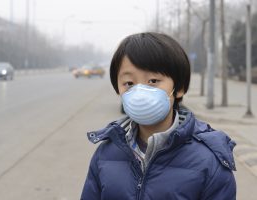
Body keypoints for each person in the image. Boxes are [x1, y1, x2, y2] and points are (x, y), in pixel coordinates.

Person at [81, 32, 236, 200]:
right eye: (129, 83)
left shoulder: (209, 160)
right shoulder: (106, 154)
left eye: (153, 81)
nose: (139, 92)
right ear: (118, 89)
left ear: (180, 88)